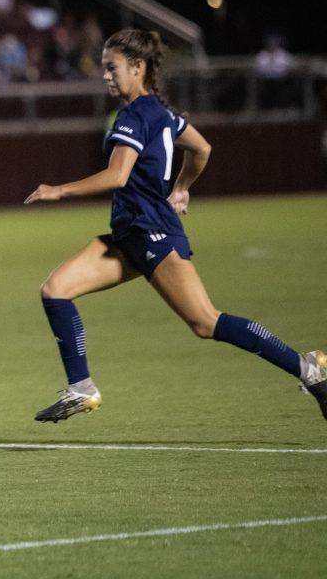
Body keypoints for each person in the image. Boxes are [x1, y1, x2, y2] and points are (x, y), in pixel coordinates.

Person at [24, 29, 327, 423]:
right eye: (103, 69)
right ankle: (82, 388)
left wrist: (58, 191)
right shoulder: (162, 114)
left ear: (138, 67)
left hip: (154, 235)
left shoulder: (134, 116)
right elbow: (202, 148)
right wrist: (181, 188)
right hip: (129, 236)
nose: (105, 76)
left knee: (205, 322)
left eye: (111, 68)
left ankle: (307, 367)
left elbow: (117, 176)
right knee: (56, 290)